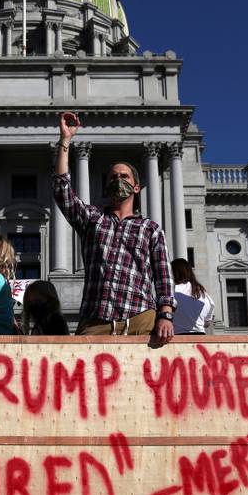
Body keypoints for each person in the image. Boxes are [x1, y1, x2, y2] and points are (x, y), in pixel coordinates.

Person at [53, 112, 175, 340]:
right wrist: (65, 140)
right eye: (113, 177)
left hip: (141, 319)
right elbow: (62, 191)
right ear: (107, 185)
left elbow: (163, 275)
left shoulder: (150, 229)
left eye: (124, 176)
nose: (118, 180)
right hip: (97, 319)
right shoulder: (92, 219)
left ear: (137, 187)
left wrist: (165, 315)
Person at [171, 258, 215, 335]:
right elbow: (207, 323)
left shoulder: (173, 290)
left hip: (179, 337)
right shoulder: (204, 294)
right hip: (200, 337)